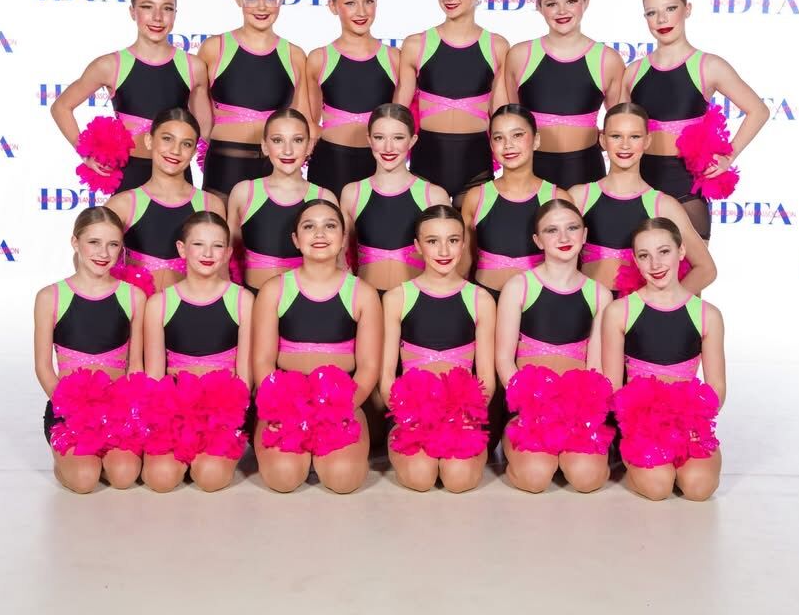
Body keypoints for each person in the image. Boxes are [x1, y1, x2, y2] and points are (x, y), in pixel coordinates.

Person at [622, 0, 769, 242]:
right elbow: (620, 130)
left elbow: (758, 111)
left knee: (692, 268)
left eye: (670, 9)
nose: (662, 19)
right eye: (652, 13)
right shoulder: (633, 72)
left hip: (687, 190)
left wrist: (728, 156)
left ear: (687, 9)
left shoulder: (708, 66)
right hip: (641, 187)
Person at [252, 200, 382, 493]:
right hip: (285, 401)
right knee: (283, 478)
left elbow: (369, 366)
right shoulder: (274, 289)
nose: (320, 234)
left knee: (343, 479)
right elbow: (262, 361)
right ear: (296, 240)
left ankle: (324, 452)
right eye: (309, 226)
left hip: (341, 402)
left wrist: (343, 409)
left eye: (330, 226)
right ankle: (301, 452)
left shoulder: (363, 293)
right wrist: (279, 408)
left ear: (343, 239)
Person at [602, 218, 726, 501]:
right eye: (644, 256)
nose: (655, 264)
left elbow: (717, 385)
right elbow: (613, 385)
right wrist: (636, 425)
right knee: (657, 488)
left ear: (681, 252)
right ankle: (635, 466)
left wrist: (695, 421)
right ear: (635, 261)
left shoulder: (708, 315)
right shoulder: (620, 311)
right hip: (642, 423)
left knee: (699, 488)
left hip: (689, 422)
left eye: (664, 252)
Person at [495, 199, 613, 493]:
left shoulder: (599, 294)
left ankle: (569, 456)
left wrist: (583, 413)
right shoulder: (519, 287)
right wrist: (530, 406)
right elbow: (504, 360)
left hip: (576, 412)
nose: (563, 237)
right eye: (551, 230)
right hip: (530, 410)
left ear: (584, 235)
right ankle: (520, 450)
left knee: (587, 479)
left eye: (572, 228)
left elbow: (595, 367)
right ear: (538, 240)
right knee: (535, 478)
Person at [50, 0, 207, 192]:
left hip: (176, 176)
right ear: (132, 12)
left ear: (175, 14)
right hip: (128, 175)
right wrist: (85, 153)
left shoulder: (193, 67)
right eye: (147, 7)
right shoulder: (110, 65)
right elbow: (61, 107)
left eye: (167, 8)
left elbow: (205, 129)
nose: (158, 17)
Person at [380, 205, 496, 492]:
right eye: (433, 241)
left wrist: (470, 416)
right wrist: (405, 416)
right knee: (420, 478)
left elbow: (486, 376)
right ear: (418, 246)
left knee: (458, 480)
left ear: (464, 244)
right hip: (413, 412)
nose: (444, 250)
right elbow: (386, 376)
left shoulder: (480, 299)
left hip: (462, 413)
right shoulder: (398, 297)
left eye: (453, 240)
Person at [34, 207, 146, 493]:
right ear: (76, 242)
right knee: (84, 480)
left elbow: (135, 364)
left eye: (113, 244)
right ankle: (68, 462)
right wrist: (68, 409)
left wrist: (130, 409)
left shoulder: (133, 296)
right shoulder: (50, 297)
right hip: (69, 412)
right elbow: (43, 367)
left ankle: (103, 457)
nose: (103, 253)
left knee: (124, 476)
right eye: (94, 242)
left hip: (117, 410)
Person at [141, 211, 253, 493]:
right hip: (175, 408)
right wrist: (157, 419)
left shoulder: (242, 299)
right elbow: (154, 373)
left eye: (217, 246)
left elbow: (244, 373)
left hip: (222, 410)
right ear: (182, 249)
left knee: (211, 478)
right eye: (198, 244)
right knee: (160, 479)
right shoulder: (159, 303)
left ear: (228, 253)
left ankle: (205, 458)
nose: (208, 253)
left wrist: (234, 416)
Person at [394, 0, 509, 204]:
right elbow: (398, 114)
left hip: (476, 165)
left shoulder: (496, 46)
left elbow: (502, 114)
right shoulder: (416, 44)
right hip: (426, 164)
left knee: (473, 231)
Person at [568, 102, 716, 296]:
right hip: (589, 309)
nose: (625, 145)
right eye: (616, 136)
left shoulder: (664, 205)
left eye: (635, 136)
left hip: (636, 312)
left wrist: (660, 303)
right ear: (603, 140)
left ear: (647, 141)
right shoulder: (580, 196)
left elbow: (706, 269)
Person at [495, 0, 624, 189]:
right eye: (551, 4)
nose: (562, 11)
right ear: (539, 7)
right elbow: (508, 118)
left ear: (586, 2)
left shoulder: (607, 59)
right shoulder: (520, 55)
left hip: (587, 170)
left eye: (571, 1)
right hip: (530, 172)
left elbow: (623, 124)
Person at [197, 0, 310, 200]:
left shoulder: (295, 55)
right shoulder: (214, 48)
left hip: (277, 168)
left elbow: (302, 121)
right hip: (225, 166)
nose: (262, 7)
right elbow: (198, 114)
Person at [106, 108, 225, 292]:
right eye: (167, 139)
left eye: (186, 144)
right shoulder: (122, 204)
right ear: (149, 140)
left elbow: (221, 273)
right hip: (137, 306)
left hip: (189, 307)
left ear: (194, 151)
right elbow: (91, 259)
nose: (175, 150)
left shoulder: (211, 205)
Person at [305, 0, 400, 197]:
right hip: (330, 163)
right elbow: (310, 122)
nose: (361, 11)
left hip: (380, 165)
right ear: (333, 6)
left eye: (368, 1)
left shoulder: (394, 58)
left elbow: (401, 121)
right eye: (350, 3)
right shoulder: (319, 59)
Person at [460, 104, 571, 302]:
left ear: (536, 140)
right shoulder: (476, 198)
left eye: (517, 135)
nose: (508, 145)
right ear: (491, 145)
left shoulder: (557, 198)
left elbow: (568, 266)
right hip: (486, 303)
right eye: (498, 138)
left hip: (541, 304)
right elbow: (464, 264)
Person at [341, 104, 450, 296]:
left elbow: (448, 256)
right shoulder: (352, 193)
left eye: (398, 138)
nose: (388, 147)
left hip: (418, 302)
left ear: (412, 140)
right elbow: (341, 255)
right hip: (366, 301)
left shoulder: (434, 196)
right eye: (379, 137)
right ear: (369, 140)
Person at [227, 108, 335, 295]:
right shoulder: (244, 193)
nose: (288, 150)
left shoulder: (324, 198)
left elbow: (336, 262)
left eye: (297, 140)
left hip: (306, 301)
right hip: (253, 300)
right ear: (264, 146)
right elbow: (228, 257)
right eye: (278, 140)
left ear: (309, 146)